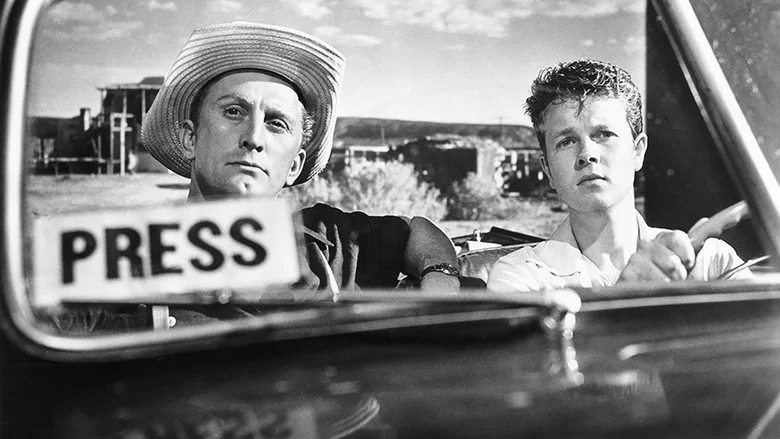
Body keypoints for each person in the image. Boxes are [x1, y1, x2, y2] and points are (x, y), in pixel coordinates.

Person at [140, 22, 460, 297]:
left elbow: (416, 230)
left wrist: (441, 274)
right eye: (233, 111)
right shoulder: (134, 257)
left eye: (276, 123)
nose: (254, 137)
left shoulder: (326, 241)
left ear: (294, 165)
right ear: (190, 138)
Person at [487, 59, 750, 293]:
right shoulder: (520, 276)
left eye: (604, 134)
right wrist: (627, 298)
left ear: (638, 151)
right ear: (548, 170)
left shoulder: (711, 261)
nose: (587, 154)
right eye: (566, 141)